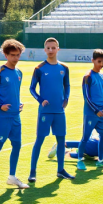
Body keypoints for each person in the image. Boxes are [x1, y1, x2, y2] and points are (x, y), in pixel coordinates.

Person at [0, 39, 29, 190]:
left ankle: (12, 177)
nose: (16, 58)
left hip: (16, 116)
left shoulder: (19, 73)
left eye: (18, 55)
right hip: (3, 117)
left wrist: (19, 102)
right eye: (12, 55)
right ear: (6, 55)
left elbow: (14, 92)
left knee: (17, 145)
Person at [29, 38, 73, 181]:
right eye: (48, 48)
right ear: (44, 49)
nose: (50, 50)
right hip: (45, 111)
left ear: (58, 49)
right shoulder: (39, 68)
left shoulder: (64, 68)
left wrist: (66, 98)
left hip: (59, 111)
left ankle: (61, 170)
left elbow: (67, 85)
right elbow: (32, 88)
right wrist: (41, 100)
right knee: (39, 140)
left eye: (53, 48)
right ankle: (32, 172)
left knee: (61, 140)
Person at [78, 49, 103, 169]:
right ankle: (80, 160)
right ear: (93, 61)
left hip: (101, 113)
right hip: (91, 113)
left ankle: (101, 160)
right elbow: (86, 97)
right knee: (86, 137)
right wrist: (96, 110)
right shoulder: (88, 77)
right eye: (99, 61)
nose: (101, 64)